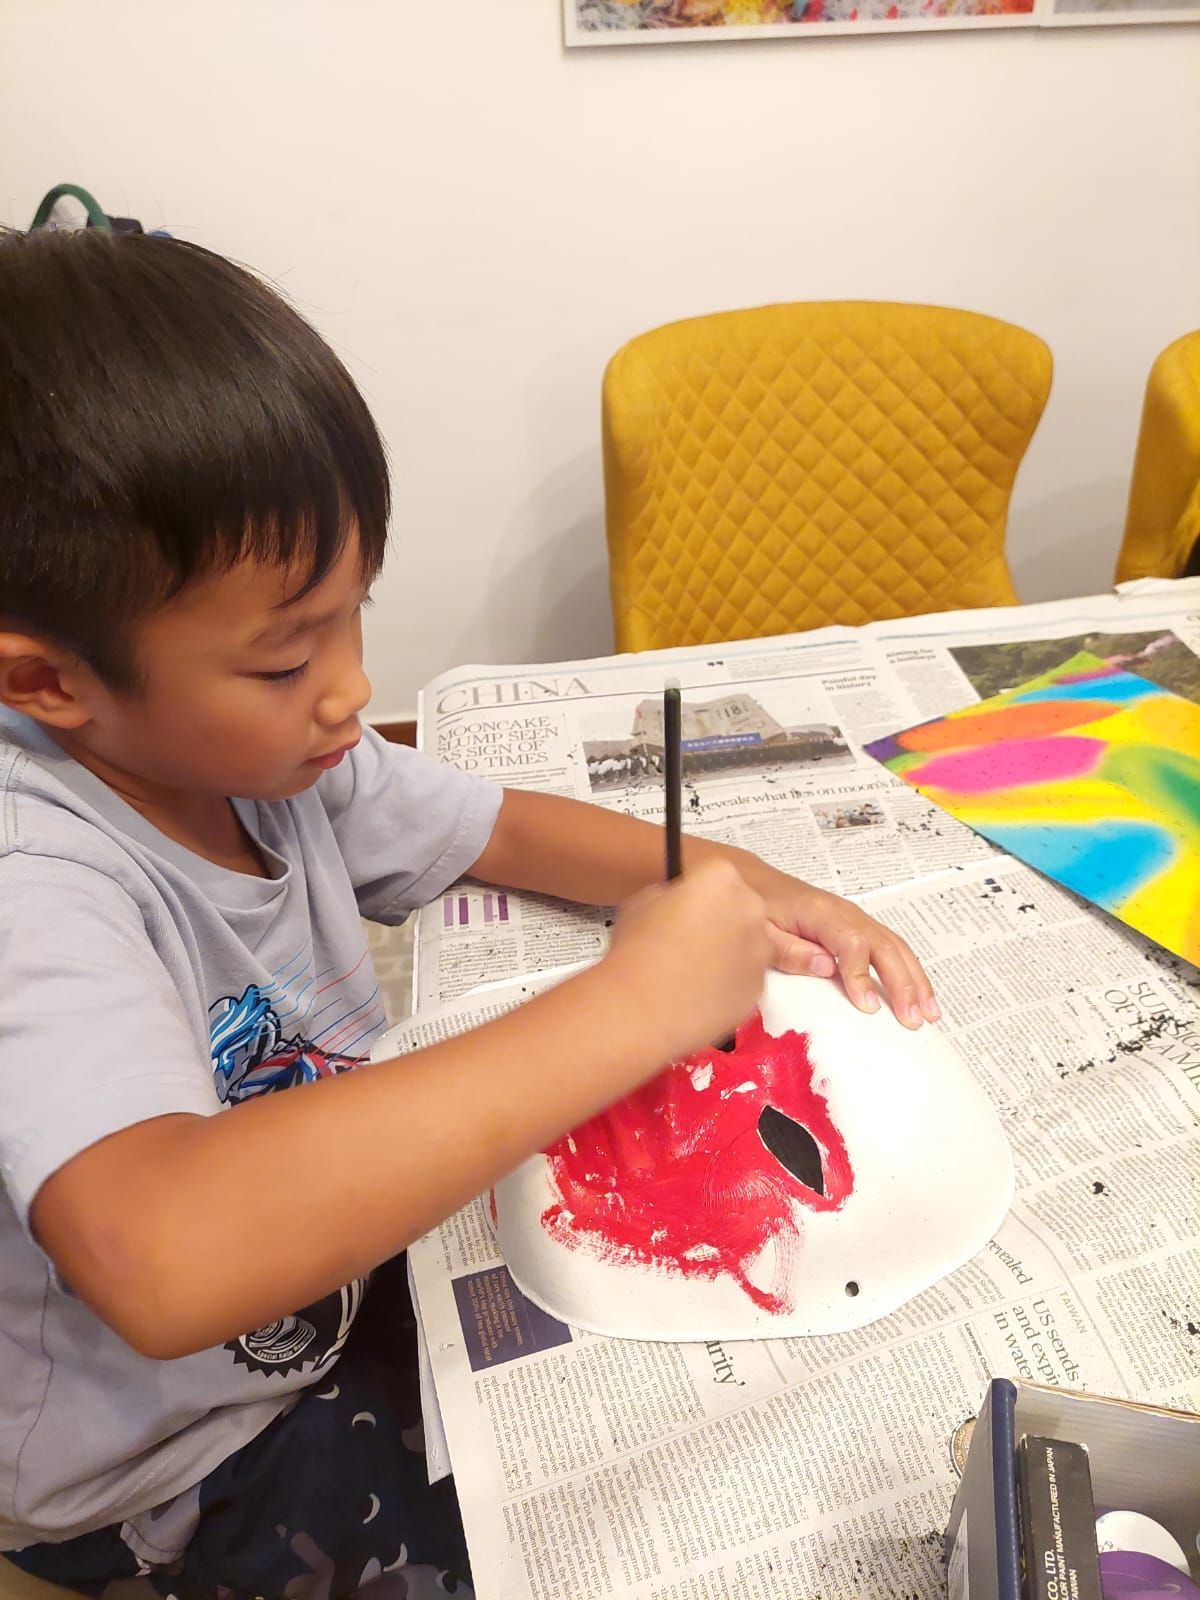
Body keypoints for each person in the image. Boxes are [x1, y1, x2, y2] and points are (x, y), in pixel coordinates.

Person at [0, 229, 938, 1600]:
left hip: (317, 1297)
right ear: (47, 683)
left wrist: (743, 883)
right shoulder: (38, 874)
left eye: (351, 617)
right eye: (283, 654)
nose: (348, 688)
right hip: (171, 1461)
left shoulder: (263, 756)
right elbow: (161, 1255)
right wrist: (629, 1008)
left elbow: (499, 826)